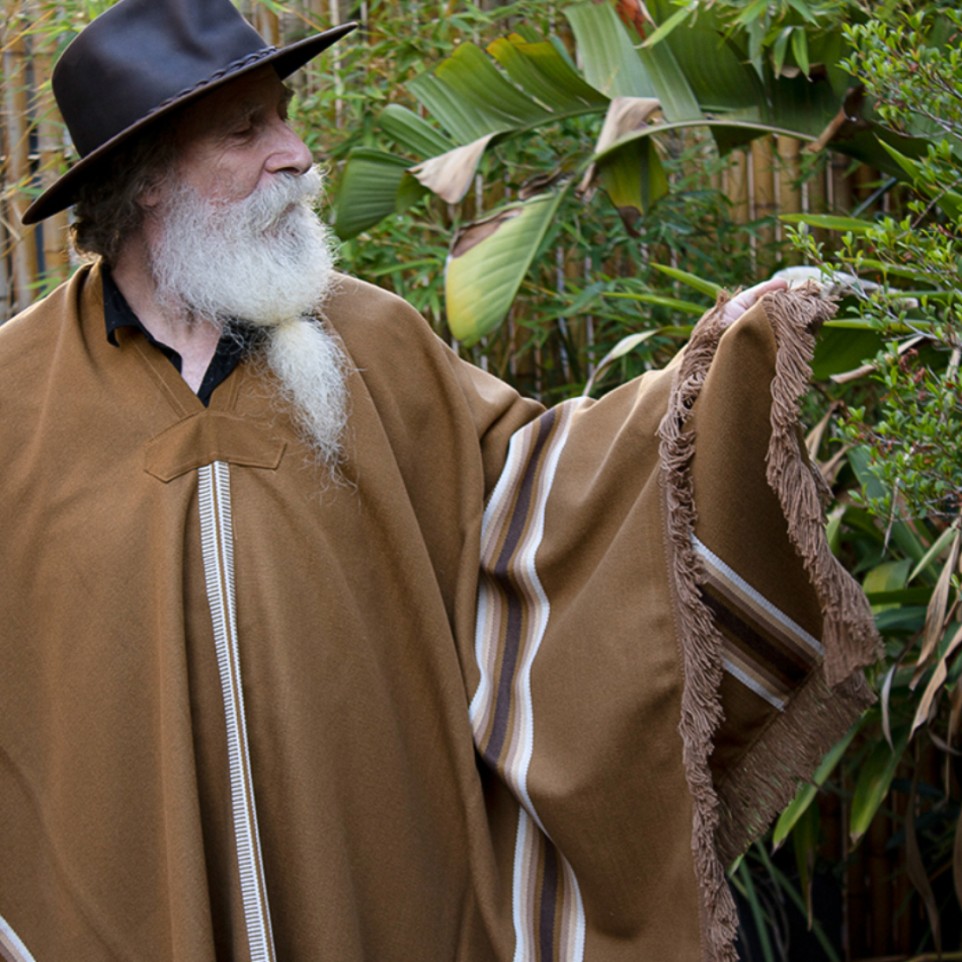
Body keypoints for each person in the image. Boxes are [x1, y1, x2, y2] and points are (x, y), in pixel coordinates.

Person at [0, 1, 879, 960]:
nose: (297, 155)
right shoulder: (16, 400)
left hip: (388, 885)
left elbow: (541, 499)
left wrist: (729, 370)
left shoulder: (371, 340)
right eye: (247, 130)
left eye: (285, 116)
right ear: (146, 177)